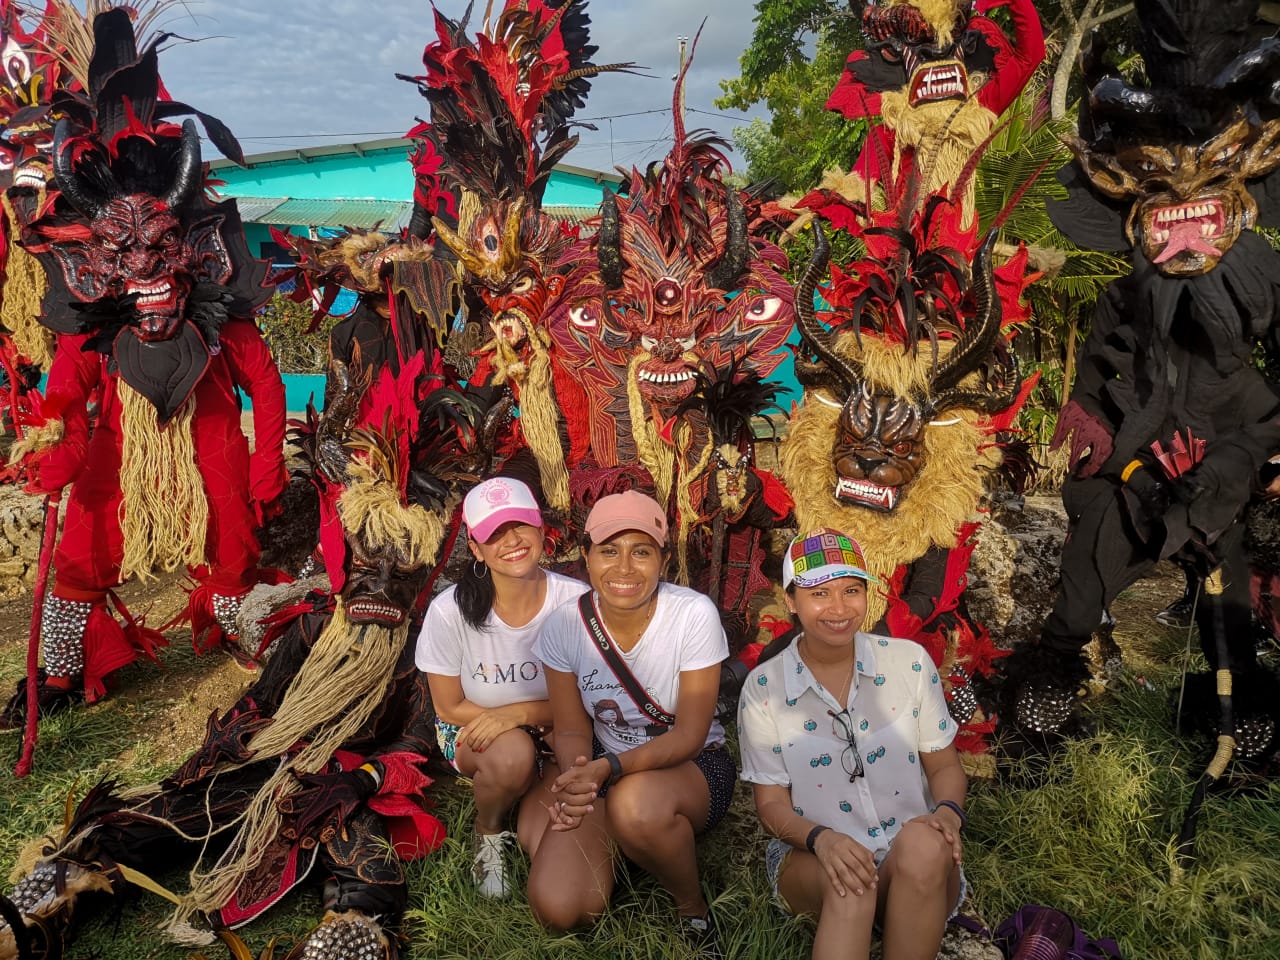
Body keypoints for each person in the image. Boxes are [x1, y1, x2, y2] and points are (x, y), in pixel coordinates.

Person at [738, 529, 967, 960]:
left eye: (851, 590)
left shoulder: (909, 664)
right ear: (790, 601)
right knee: (851, 881)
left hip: (911, 860)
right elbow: (771, 805)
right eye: (819, 593)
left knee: (925, 843)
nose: (839, 609)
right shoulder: (765, 688)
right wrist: (823, 840)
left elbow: (944, 768)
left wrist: (947, 816)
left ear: (868, 594)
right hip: (815, 855)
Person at [527, 490, 734, 956]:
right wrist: (580, 776)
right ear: (585, 557)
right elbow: (573, 727)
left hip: (695, 766)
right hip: (604, 767)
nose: (623, 568)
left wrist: (611, 771)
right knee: (557, 907)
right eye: (608, 551)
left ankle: (692, 910)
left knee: (635, 805)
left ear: (663, 558)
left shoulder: (692, 616)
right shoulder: (564, 626)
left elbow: (690, 733)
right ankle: (631, 842)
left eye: (640, 551)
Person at [417, 476, 587, 897]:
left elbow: (588, 701)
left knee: (547, 840)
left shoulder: (577, 601)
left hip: (559, 730)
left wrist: (522, 714)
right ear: (475, 548)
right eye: (493, 534)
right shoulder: (449, 610)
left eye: (520, 525)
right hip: (475, 730)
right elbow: (449, 707)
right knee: (513, 755)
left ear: (541, 529)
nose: (511, 540)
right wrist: (512, 723)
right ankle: (488, 831)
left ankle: (532, 802)